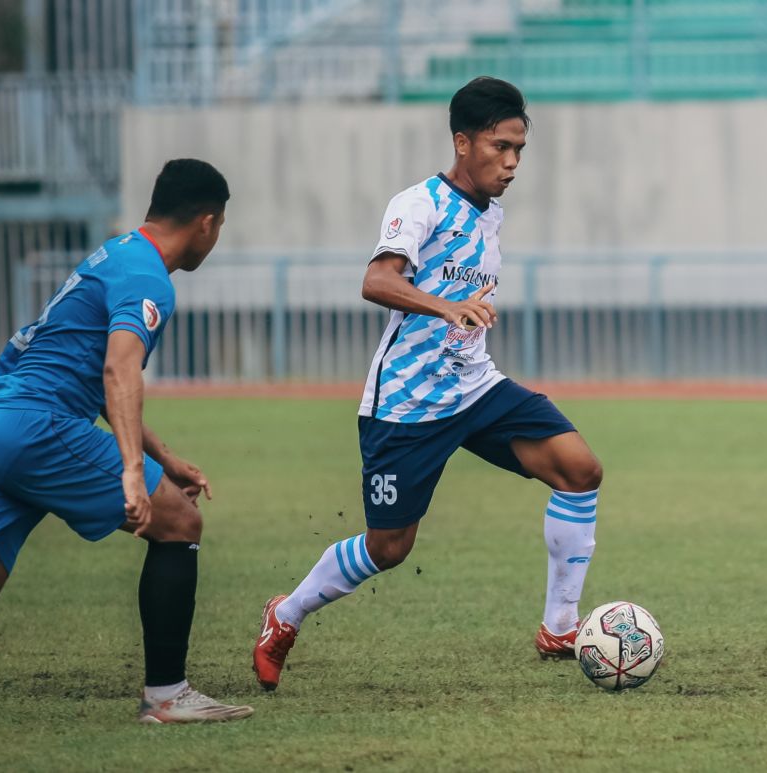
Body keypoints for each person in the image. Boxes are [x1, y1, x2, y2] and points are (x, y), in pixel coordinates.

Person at [252, 77, 604, 690]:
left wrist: (461, 319)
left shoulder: (490, 213)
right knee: (389, 548)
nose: (513, 163)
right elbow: (376, 281)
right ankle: (286, 614)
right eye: (500, 147)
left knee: (580, 470)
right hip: (407, 403)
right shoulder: (420, 204)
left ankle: (560, 626)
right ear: (462, 143)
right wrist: (447, 307)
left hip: (475, 387)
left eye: (520, 149)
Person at [0, 159, 253, 724]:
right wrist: (132, 471)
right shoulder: (149, 278)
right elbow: (119, 371)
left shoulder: (115, 253)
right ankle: (167, 696)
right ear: (206, 222)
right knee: (179, 522)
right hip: (37, 427)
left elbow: (88, 371)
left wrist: (164, 457)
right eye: (219, 226)